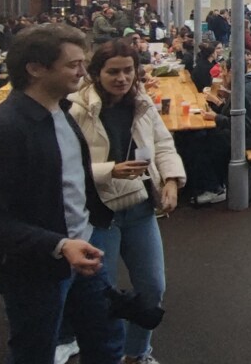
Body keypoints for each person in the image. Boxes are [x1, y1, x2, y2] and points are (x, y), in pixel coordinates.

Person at [0, 24, 125, 364]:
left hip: (83, 251)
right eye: (74, 65)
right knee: (34, 351)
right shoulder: (2, 132)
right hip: (37, 270)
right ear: (35, 68)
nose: (84, 72)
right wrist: (59, 245)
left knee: (106, 340)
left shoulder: (61, 112)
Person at [66, 39, 185, 364]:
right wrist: (110, 170)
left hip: (140, 209)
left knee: (152, 287)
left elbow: (162, 143)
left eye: (128, 71)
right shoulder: (76, 109)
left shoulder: (141, 101)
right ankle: (108, 354)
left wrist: (172, 180)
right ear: (96, 73)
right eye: (113, 71)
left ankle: (138, 352)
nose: (121, 78)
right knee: (102, 295)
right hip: (101, 214)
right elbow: (62, 165)